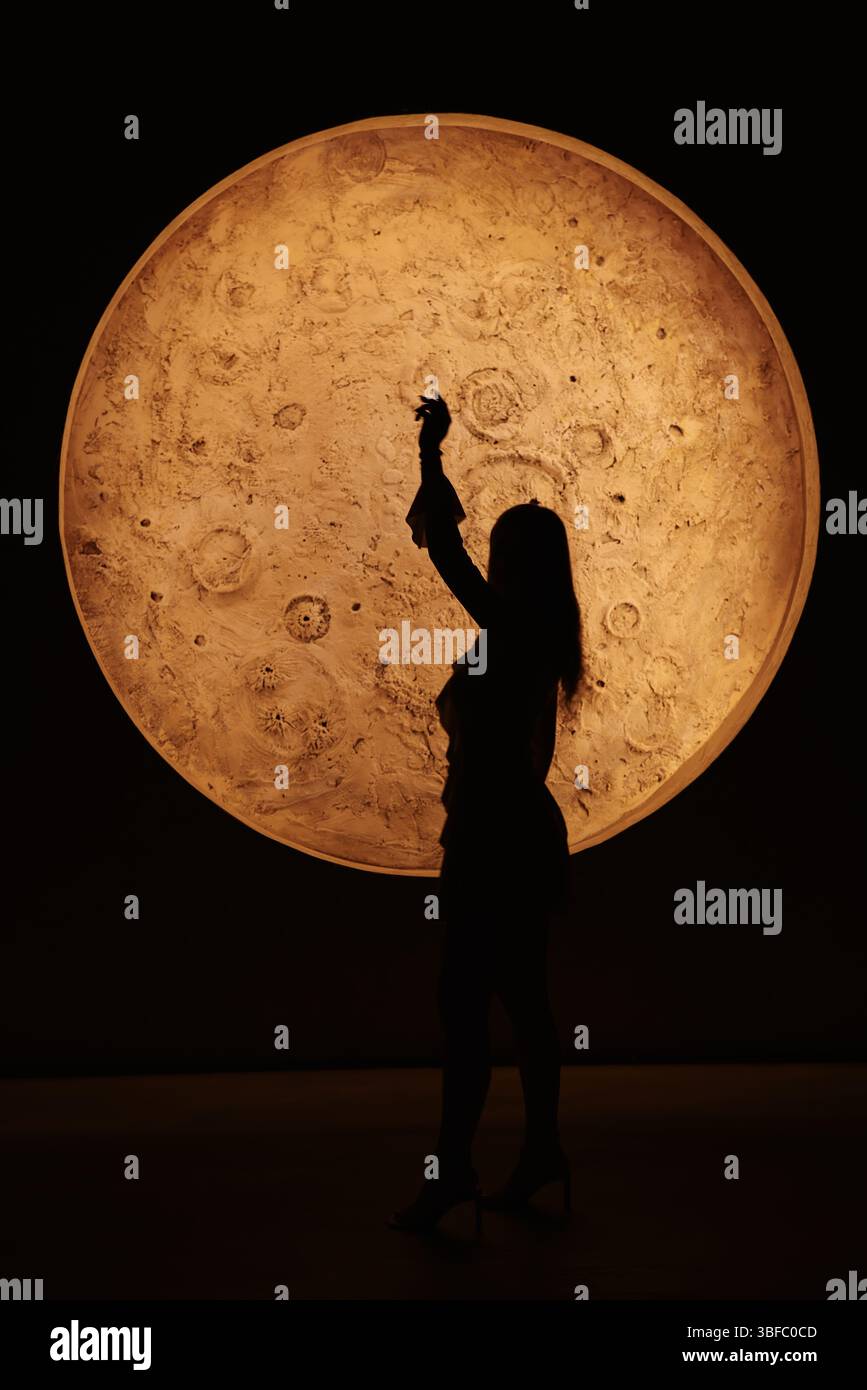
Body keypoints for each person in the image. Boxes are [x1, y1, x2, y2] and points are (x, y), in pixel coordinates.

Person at [389, 393, 583, 1234]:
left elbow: (449, 561)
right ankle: (535, 1156)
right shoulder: (536, 634)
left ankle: (455, 1174)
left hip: (489, 843)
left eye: (502, 553)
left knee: (464, 1011)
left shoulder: (510, 629)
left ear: (514, 564)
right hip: (515, 839)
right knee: (522, 1005)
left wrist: (432, 455)